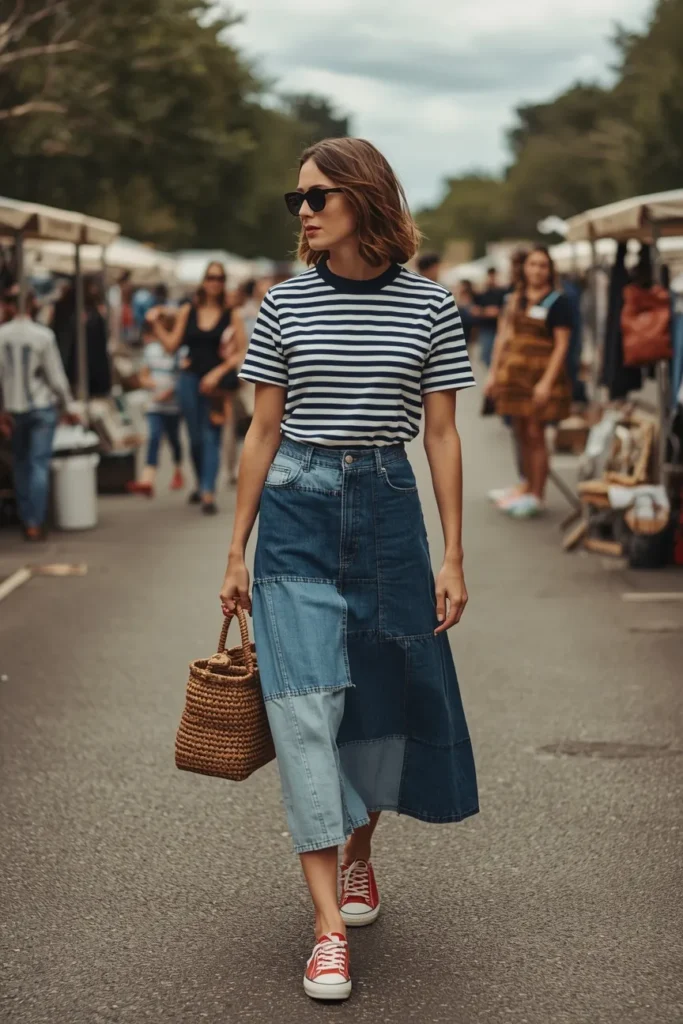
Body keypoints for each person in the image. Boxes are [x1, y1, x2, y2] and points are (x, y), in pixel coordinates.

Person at [219, 137, 478, 1002]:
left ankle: (360, 857)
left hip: (387, 510)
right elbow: (261, 431)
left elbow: (440, 434)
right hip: (294, 511)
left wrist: (453, 551)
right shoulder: (283, 306)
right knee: (301, 713)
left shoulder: (431, 308)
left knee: (375, 702)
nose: (303, 210)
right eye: (296, 197)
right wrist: (233, 548)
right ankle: (328, 928)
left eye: (318, 195)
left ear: (364, 198)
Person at [148, 262, 246, 515]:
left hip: (216, 384)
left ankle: (207, 492)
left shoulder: (230, 313)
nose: (215, 282)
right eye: (211, 277)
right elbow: (171, 345)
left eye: (220, 278)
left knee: (211, 434)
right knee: (193, 437)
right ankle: (201, 480)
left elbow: (243, 351)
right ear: (204, 281)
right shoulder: (188, 310)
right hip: (189, 380)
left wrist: (218, 372)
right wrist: (155, 325)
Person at [485, 246, 572, 519]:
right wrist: (493, 374)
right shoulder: (514, 299)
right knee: (520, 431)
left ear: (550, 270)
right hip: (514, 376)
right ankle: (525, 486)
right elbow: (502, 337)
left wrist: (546, 382)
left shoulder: (558, 301)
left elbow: (561, 346)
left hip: (541, 375)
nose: (537, 270)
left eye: (542, 265)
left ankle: (538, 494)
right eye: (533, 264)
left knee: (536, 434)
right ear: (525, 268)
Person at [0, 290, 77, 540]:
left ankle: (27, 518)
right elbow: (56, 378)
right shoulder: (43, 335)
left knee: (21, 464)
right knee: (38, 464)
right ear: (32, 305)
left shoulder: (1, 336)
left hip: (13, 409)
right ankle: (36, 519)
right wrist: (69, 407)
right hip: (41, 407)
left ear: (9, 307)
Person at [126, 317, 184, 498]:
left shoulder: (179, 351)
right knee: (154, 438)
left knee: (174, 440)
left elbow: (182, 377)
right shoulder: (151, 350)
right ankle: (147, 480)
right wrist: (147, 382)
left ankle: (178, 470)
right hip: (155, 404)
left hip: (173, 405)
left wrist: (171, 391)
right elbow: (142, 374)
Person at [471, 266, 505, 367]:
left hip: (497, 328)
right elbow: (475, 310)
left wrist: (484, 311)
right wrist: (487, 311)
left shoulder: (500, 292)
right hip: (485, 328)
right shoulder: (483, 293)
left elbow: (499, 311)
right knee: (486, 356)